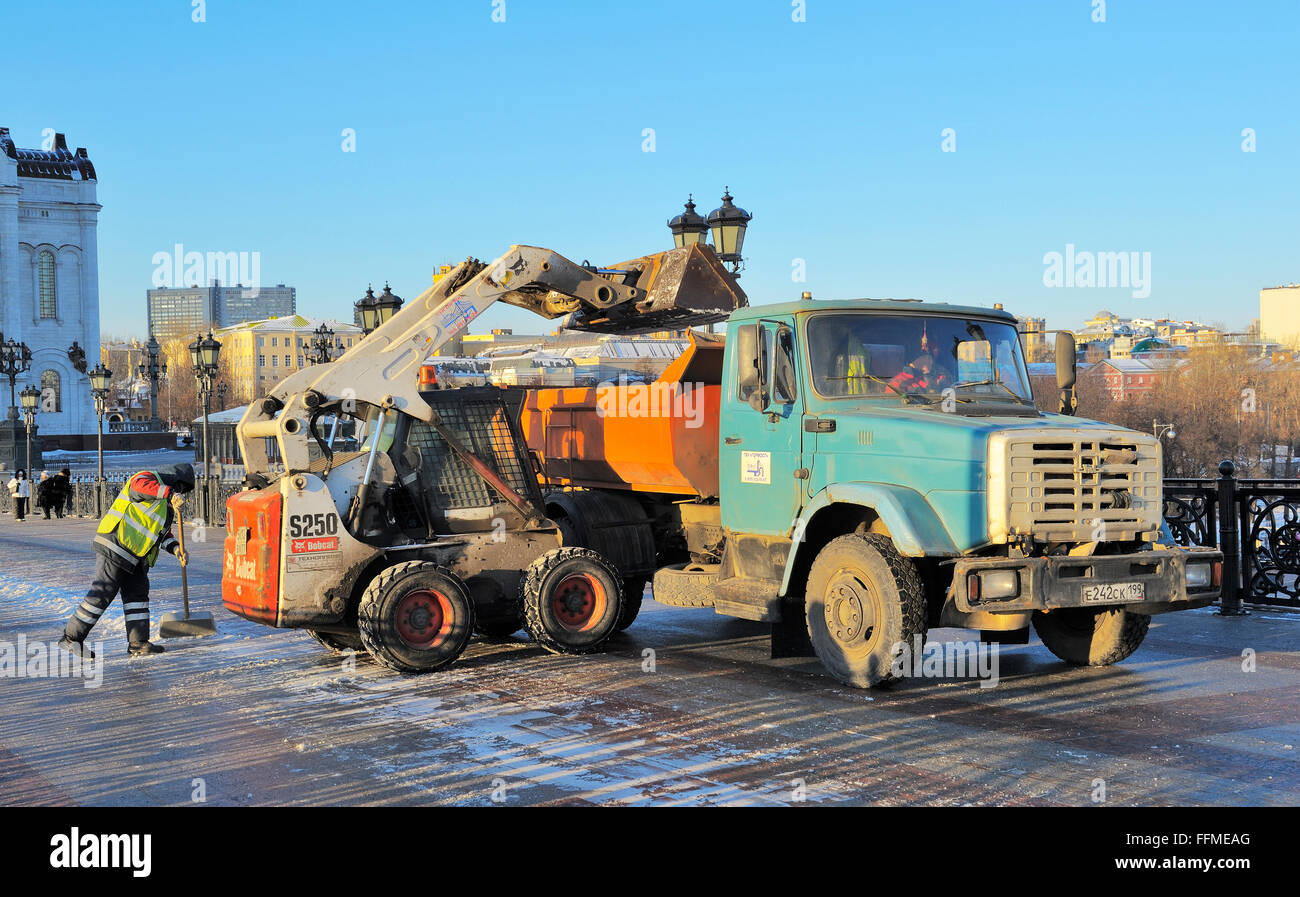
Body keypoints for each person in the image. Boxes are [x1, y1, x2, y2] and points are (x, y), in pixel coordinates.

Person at [58, 464, 195, 659]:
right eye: (181, 488)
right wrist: (169, 492)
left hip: (136, 556)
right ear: (175, 480)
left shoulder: (164, 504)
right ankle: (71, 638)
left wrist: (176, 549)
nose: (181, 493)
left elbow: (160, 533)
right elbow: (138, 487)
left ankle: (138, 643)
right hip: (116, 545)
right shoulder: (146, 477)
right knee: (102, 593)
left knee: (138, 596)